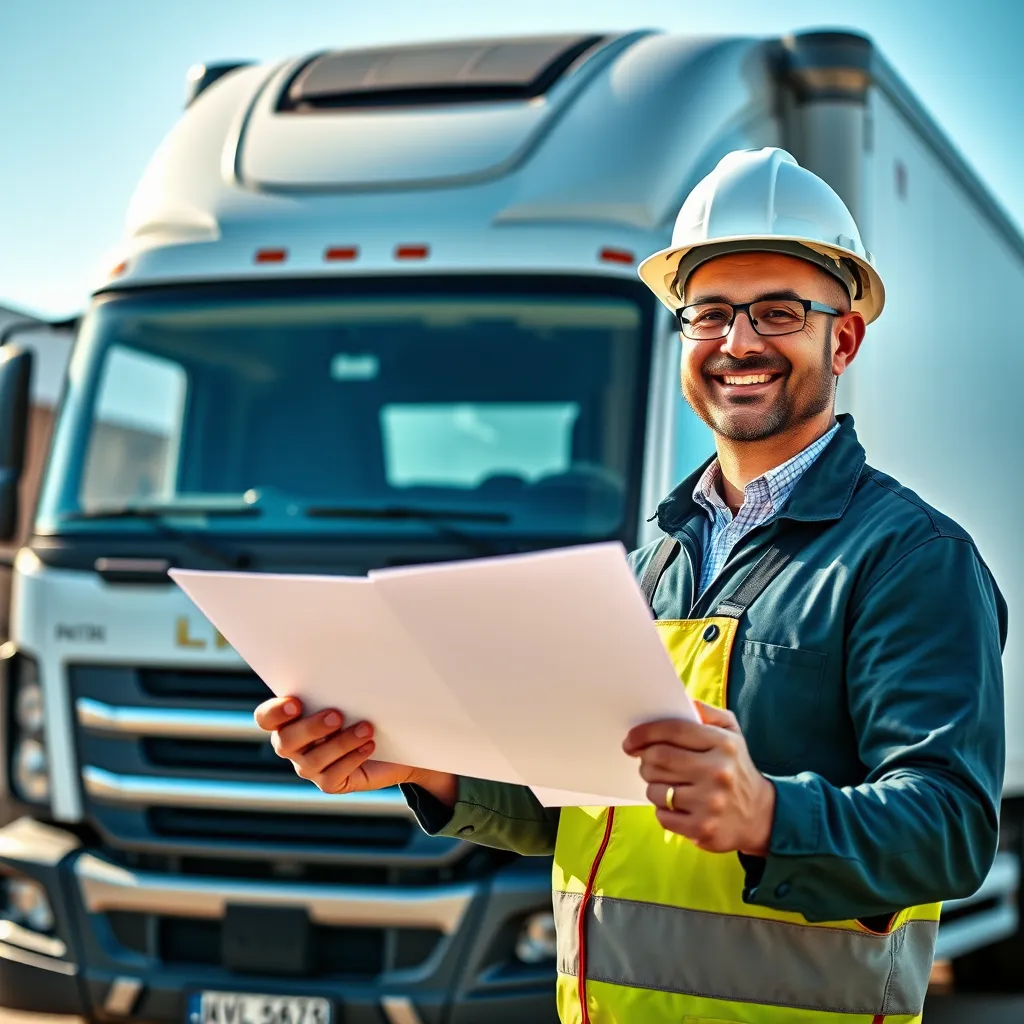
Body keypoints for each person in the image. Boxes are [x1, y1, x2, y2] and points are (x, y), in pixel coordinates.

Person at [255, 148, 1007, 1024]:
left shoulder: (912, 558)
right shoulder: (655, 560)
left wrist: (768, 813)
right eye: (711, 314)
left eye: (778, 312)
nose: (738, 343)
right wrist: (424, 767)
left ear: (842, 338)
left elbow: (951, 830)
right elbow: (582, 807)